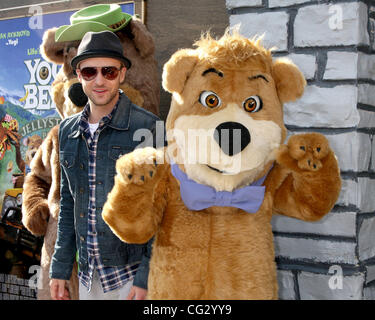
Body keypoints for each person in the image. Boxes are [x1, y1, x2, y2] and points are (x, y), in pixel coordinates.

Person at [49, 30, 159, 300]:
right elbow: (68, 203)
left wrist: (147, 276)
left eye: (108, 71)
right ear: (78, 75)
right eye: (89, 72)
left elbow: (161, 208)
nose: (99, 80)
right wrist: (60, 268)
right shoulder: (67, 131)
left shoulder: (147, 127)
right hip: (89, 277)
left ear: (122, 74)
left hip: (131, 275)